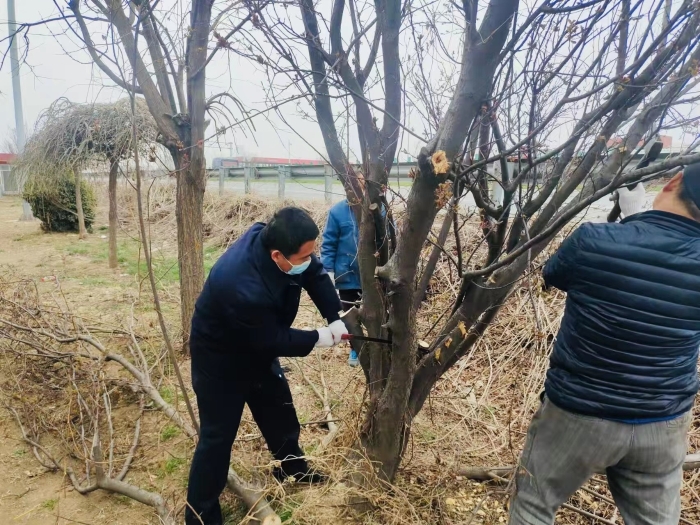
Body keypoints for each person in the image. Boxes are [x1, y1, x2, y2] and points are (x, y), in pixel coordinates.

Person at [509, 164, 700, 525]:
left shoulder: (594, 241)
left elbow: (552, 275)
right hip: (664, 420)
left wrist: (633, 223)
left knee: (534, 505)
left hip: (579, 414)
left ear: (673, 181)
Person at [185, 207, 348, 525]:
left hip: (256, 341)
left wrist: (335, 317)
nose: (308, 260)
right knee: (217, 438)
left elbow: (313, 271)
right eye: (302, 257)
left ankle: (293, 467)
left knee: (278, 407)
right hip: (220, 357)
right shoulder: (239, 284)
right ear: (277, 256)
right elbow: (273, 340)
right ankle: (200, 515)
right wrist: (322, 337)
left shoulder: (281, 242)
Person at [321, 197, 362, 366]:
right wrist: (328, 271)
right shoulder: (337, 212)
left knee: (378, 315)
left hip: (373, 274)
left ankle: (379, 348)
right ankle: (357, 348)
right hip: (347, 275)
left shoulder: (380, 209)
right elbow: (329, 244)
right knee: (349, 316)